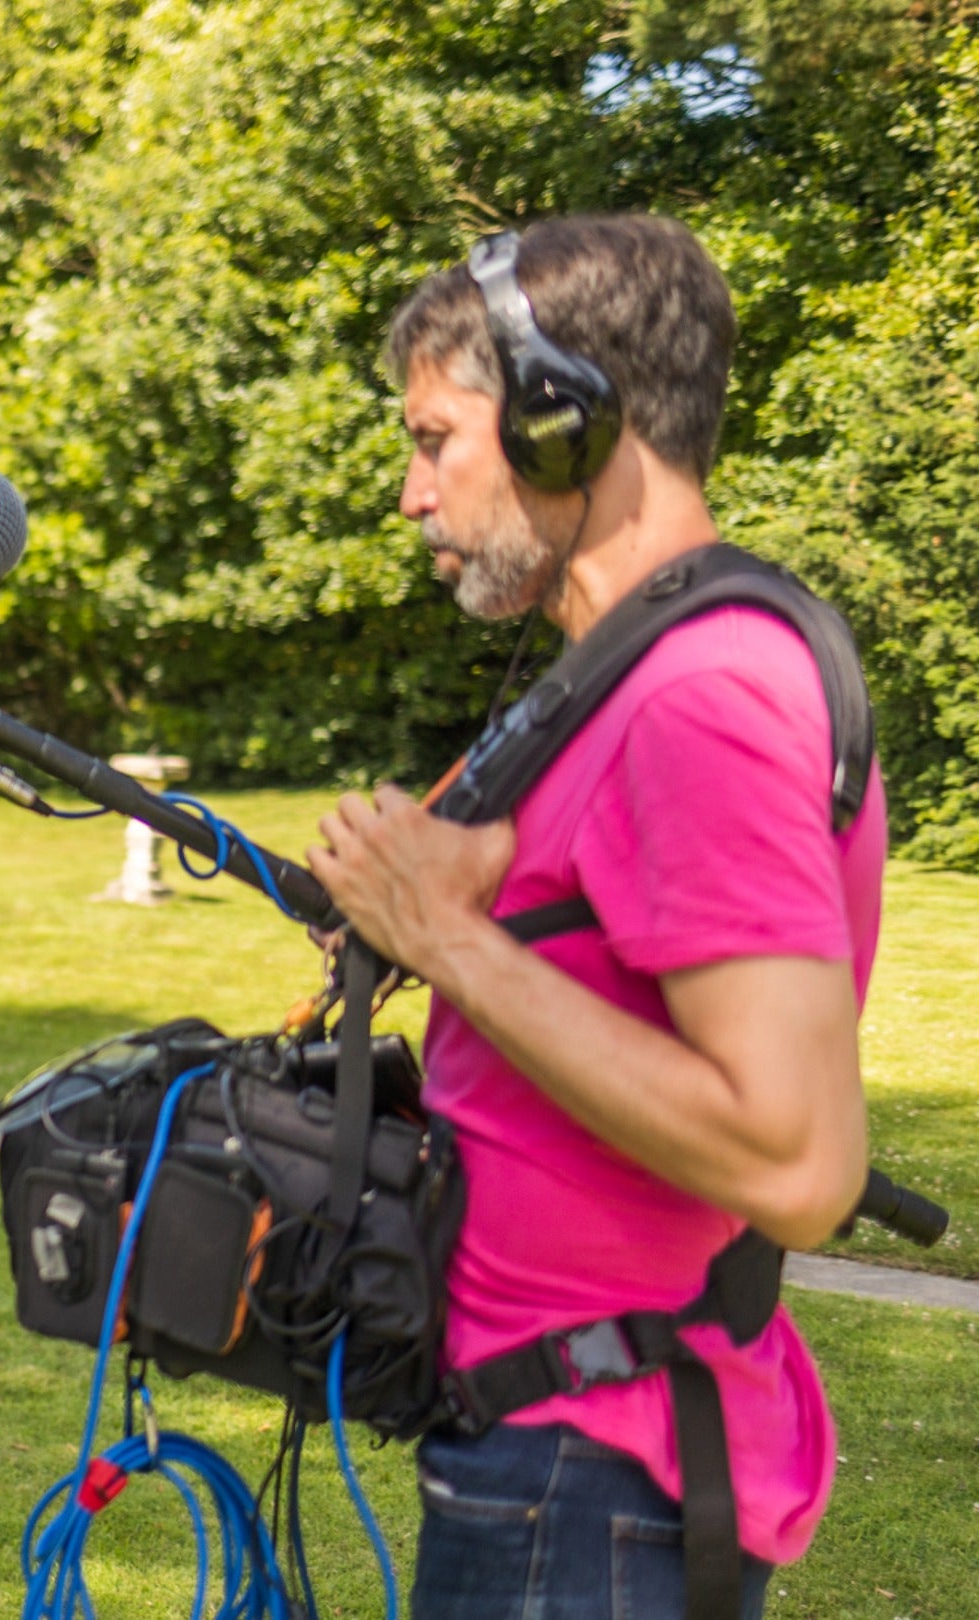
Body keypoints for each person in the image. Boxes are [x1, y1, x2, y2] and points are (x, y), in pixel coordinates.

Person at [311, 216, 879, 1620]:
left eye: (435, 438)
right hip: (554, 1453)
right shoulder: (636, 681)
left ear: (563, 422)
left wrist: (450, 944)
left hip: (590, 1487)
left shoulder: (703, 701)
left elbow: (800, 1161)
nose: (411, 492)